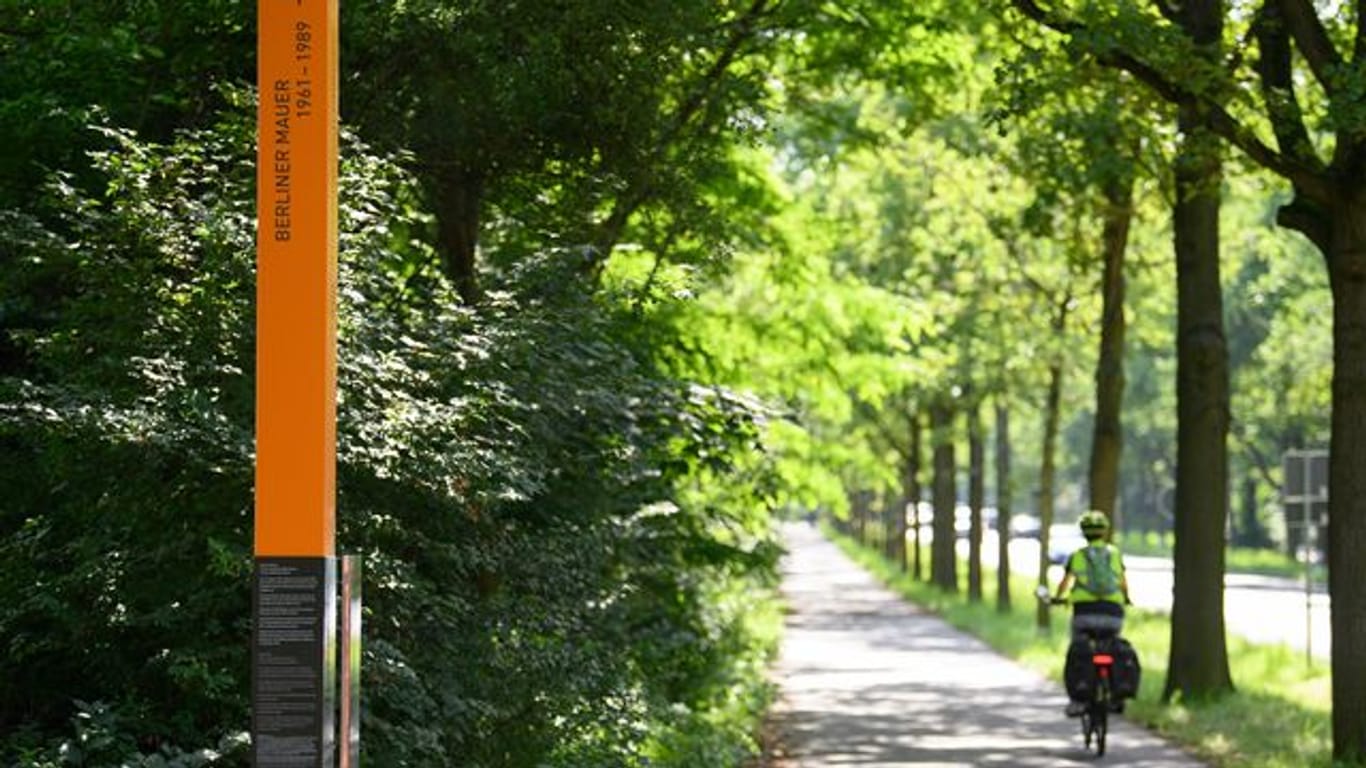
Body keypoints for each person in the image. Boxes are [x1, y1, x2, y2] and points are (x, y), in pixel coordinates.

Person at [1053, 510, 1131, 715]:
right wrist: (1127, 599)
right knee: (1113, 647)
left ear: (1084, 533)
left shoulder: (1077, 556)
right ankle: (1115, 693)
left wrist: (1058, 597)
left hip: (1084, 614)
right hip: (1113, 613)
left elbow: (1065, 582)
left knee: (1077, 651)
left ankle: (1077, 700)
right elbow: (1123, 582)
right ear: (1104, 532)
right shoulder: (1114, 554)